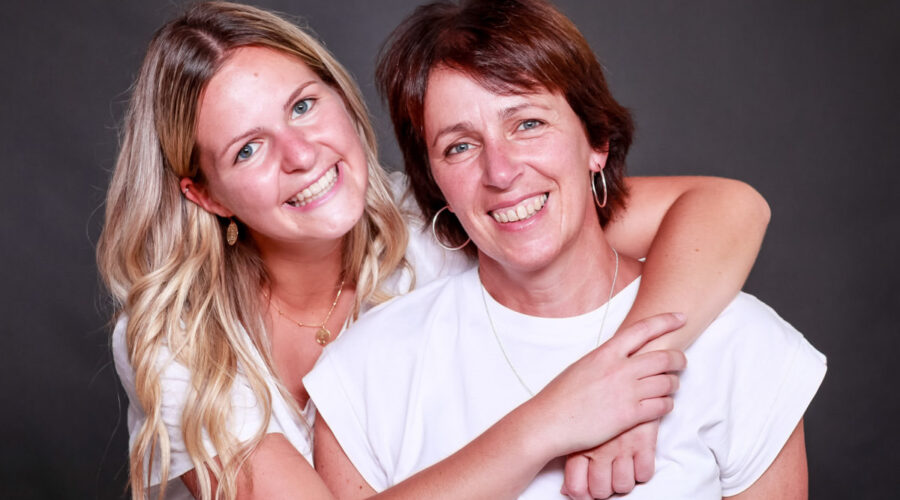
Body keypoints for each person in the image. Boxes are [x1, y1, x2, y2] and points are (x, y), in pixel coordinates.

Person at [97, 2, 771, 499]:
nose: (301, 155)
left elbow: (727, 206)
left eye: (303, 106)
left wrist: (628, 383)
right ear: (206, 194)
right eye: (248, 149)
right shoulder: (178, 337)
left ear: (340, 95)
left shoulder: (441, 215)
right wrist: (555, 419)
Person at [306, 0, 826, 499]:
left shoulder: (741, 343)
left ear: (596, 142)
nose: (501, 172)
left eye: (528, 124)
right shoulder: (365, 373)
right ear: (435, 182)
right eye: (459, 146)